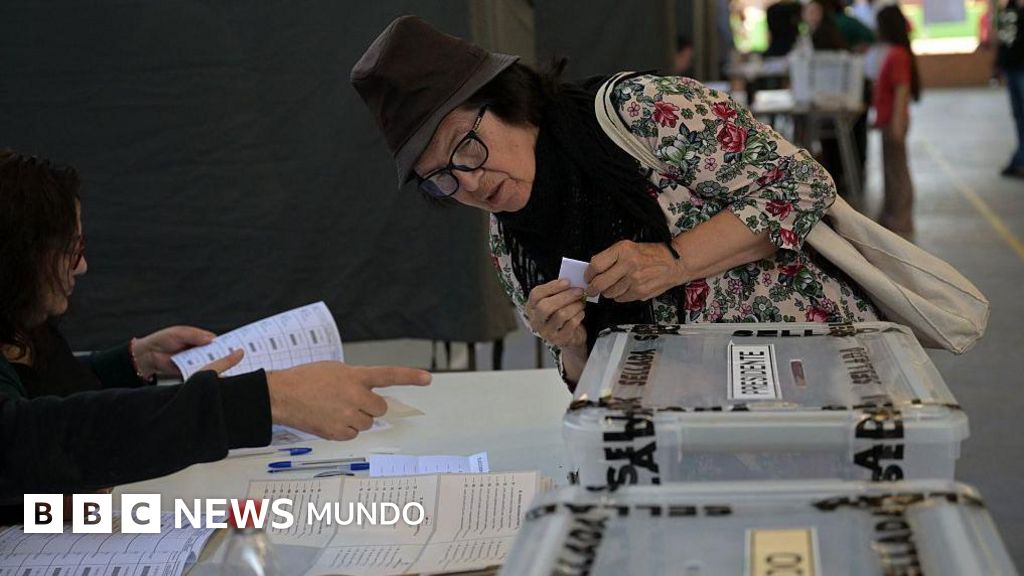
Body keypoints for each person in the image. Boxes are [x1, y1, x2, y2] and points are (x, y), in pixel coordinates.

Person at [351, 16, 879, 388]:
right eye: (439, 179)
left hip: (810, 373)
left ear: (505, 99)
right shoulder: (509, 240)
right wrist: (572, 346)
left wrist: (674, 261)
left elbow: (802, 184)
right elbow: (586, 387)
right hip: (681, 425)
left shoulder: (639, 112)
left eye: (464, 147)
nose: (467, 182)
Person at [0, 149, 432, 503]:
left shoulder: (22, 322)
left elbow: (49, 398)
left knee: (221, 521)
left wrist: (132, 363)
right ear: (22, 256)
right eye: (72, 250)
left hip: (54, 517)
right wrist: (268, 398)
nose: (83, 266)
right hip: (26, 533)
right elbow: (30, 439)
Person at [873, 5, 921, 237]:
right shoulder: (893, 52)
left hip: (895, 121)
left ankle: (901, 220)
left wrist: (896, 124)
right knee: (891, 171)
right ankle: (891, 215)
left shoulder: (898, 55)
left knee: (898, 173)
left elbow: (902, 91)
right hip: (889, 120)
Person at [998, 0, 1024, 178]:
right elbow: (1003, 38)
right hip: (1011, 66)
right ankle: (1020, 157)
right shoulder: (1008, 7)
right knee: (1019, 116)